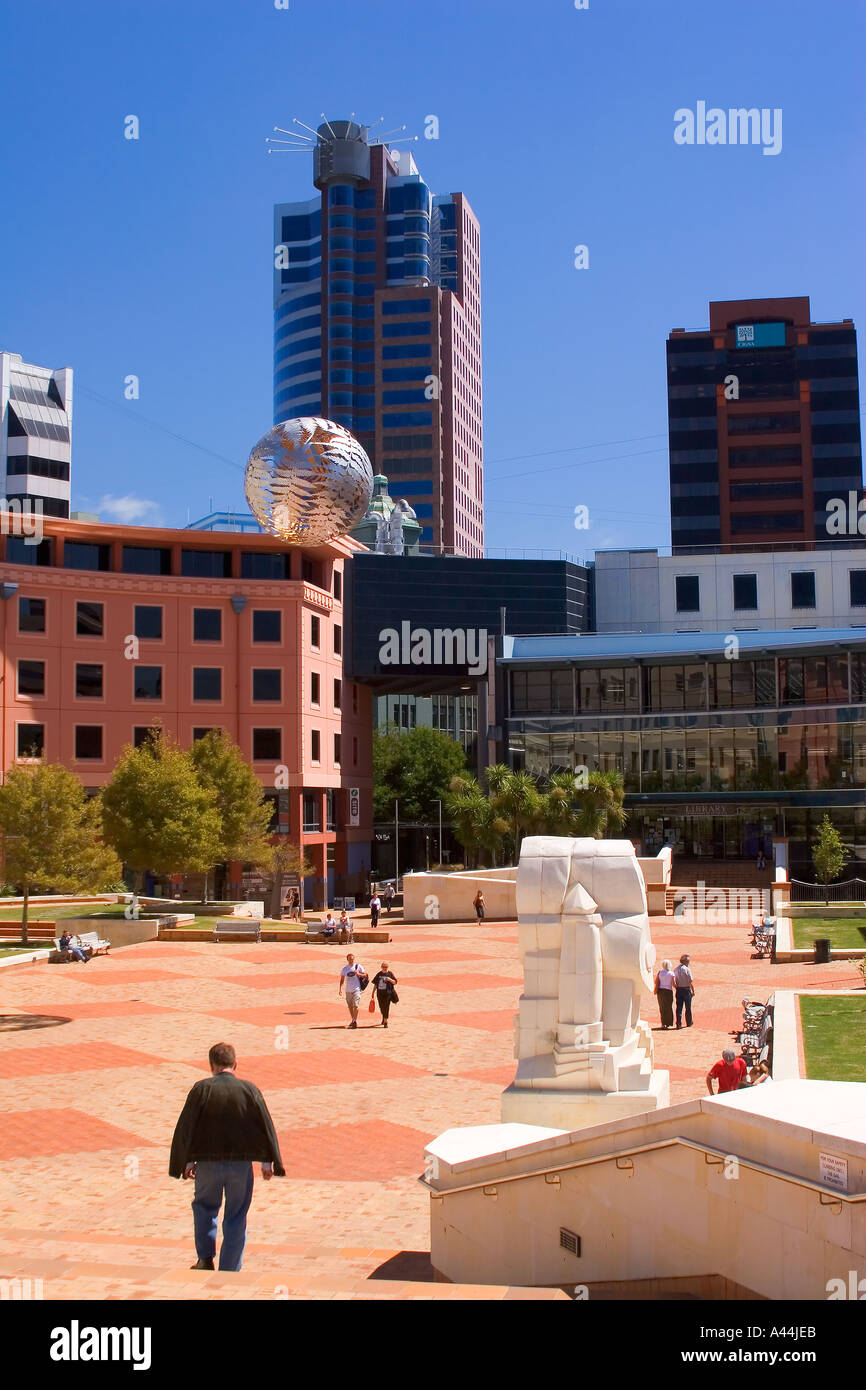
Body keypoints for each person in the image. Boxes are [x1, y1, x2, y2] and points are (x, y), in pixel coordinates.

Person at [169, 1042, 284, 1271]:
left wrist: (187, 1160)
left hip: (207, 1164)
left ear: (211, 1065)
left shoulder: (201, 1089)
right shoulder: (250, 1090)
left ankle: (204, 1259)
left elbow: (187, 1127)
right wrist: (267, 1162)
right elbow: (264, 1126)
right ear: (235, 1064)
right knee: (236, 1214)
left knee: (204, 1207)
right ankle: (230, 1268)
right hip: (240, 1166)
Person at [339, 953, 368, 1028]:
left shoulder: (358, 966)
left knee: (356, 1005)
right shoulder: (345, 969)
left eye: (352, 959)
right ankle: (353, 1020)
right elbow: (342, 979)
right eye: (350, 959)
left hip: (357, 989)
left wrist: (358, 974)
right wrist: (340, 989)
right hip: (348, 990)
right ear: (347, 959)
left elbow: (365, 975)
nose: (351, 960)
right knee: (350, 1007)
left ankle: (354, 1021)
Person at [371, 961, 398, 1028]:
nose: (385, 968)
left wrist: (390, 980)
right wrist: (373, 992)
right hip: (380, 993)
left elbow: (395, 982)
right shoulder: (379, 974)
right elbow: (375, 984)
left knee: (386, 1006)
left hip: (388, 993)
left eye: (386, 967)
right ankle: (384, 1016)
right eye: (383, 967)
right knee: (381, 1006)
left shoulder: (390, 974)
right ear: (381, 967)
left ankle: (385, 1021)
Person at [674, 953, 694, 1028]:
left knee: (679, 1007)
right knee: (688, 1007)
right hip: (686, 989)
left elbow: (674, 980)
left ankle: (678, 1023)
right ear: (685, 962)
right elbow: (690, 981)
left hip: (679, 989)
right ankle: (689, 1022)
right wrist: (693, 990)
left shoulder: (676, 969)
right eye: (688, 961)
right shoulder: (687, 969)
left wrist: (676, 987)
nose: (689, 963)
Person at [654, 959, 675, 1029]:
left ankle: (663, 1023)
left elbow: (656, 982)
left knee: (662, 1008)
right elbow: (673, 984)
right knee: (669, 1007)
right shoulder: (671, 973)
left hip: (661, 991)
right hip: (668, 991)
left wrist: (655, 990)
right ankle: (668, 1022)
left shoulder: (660, 972)